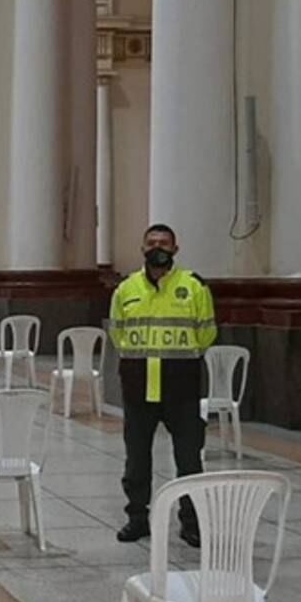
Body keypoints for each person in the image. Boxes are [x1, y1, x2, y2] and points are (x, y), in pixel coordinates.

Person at [108, 223, 217, 547]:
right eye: (152, 242)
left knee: (189, 459)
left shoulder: (194, 286)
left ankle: (191, 522)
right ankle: (138, 519)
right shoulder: (125, 289)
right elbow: (117, 332)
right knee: (137, 459)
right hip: (139, 386)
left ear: (175, 250)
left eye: (165, 243)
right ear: (142, 249)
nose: (158, 247)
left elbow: (207, 332)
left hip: (181, 388)